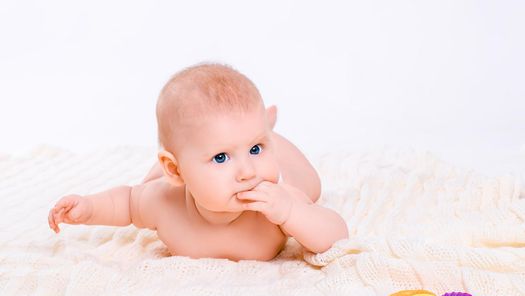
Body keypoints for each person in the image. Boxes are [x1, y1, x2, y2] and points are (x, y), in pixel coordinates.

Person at [48, 63, 349, 261]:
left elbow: (336, 236)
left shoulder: (276, 202)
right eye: (221, 157)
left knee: (310, 184)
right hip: (174, 176)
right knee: (148, 185)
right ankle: (247, 138)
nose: (248, 172)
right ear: (175, 170)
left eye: (256, 149)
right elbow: (125, 203)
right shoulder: (163, 202)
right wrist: (87, 208)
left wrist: (291, 211)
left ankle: (268, 130)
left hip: (287, 169)